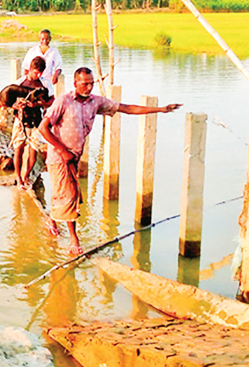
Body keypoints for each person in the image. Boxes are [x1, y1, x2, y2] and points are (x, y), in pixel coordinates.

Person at [38, 67, 183, 255]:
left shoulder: (95, 102)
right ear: (75, 84)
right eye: (85, 84)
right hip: (59, 156)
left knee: (64, 192)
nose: (89, 87)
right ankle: (74, 240)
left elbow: (126, 108)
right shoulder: (63, 101)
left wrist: (160, 109)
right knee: (70, 194)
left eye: (91, 83)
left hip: (74, 155)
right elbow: (43, 128)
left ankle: (52, 220)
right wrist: (63, 150)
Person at [9, 56, 54, 190]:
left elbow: (52, 100)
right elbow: (9, 101)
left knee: (33, 151)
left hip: (36, 121)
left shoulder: (45, 84)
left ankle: (26, 176)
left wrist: (38, 104)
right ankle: (19, 177)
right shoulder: (19, 83)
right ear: (30, 69)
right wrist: (17, 106)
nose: (38, 75)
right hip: (21, 120)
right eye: (35, 72)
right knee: (19, 149)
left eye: (40, 73)